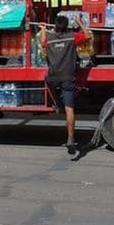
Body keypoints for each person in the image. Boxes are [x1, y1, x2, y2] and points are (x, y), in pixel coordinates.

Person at [42, 15, 91, 154]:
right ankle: (70, 138)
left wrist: (44, 29)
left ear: (55, 26)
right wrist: (80, 23)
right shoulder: (72, 37)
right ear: (67, 25)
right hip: (68, 77)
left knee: (46, 81)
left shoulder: (49, 38)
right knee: (70, 109)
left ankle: (57, 103)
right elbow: (87, 36)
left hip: (53, 77)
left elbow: (42, 42)